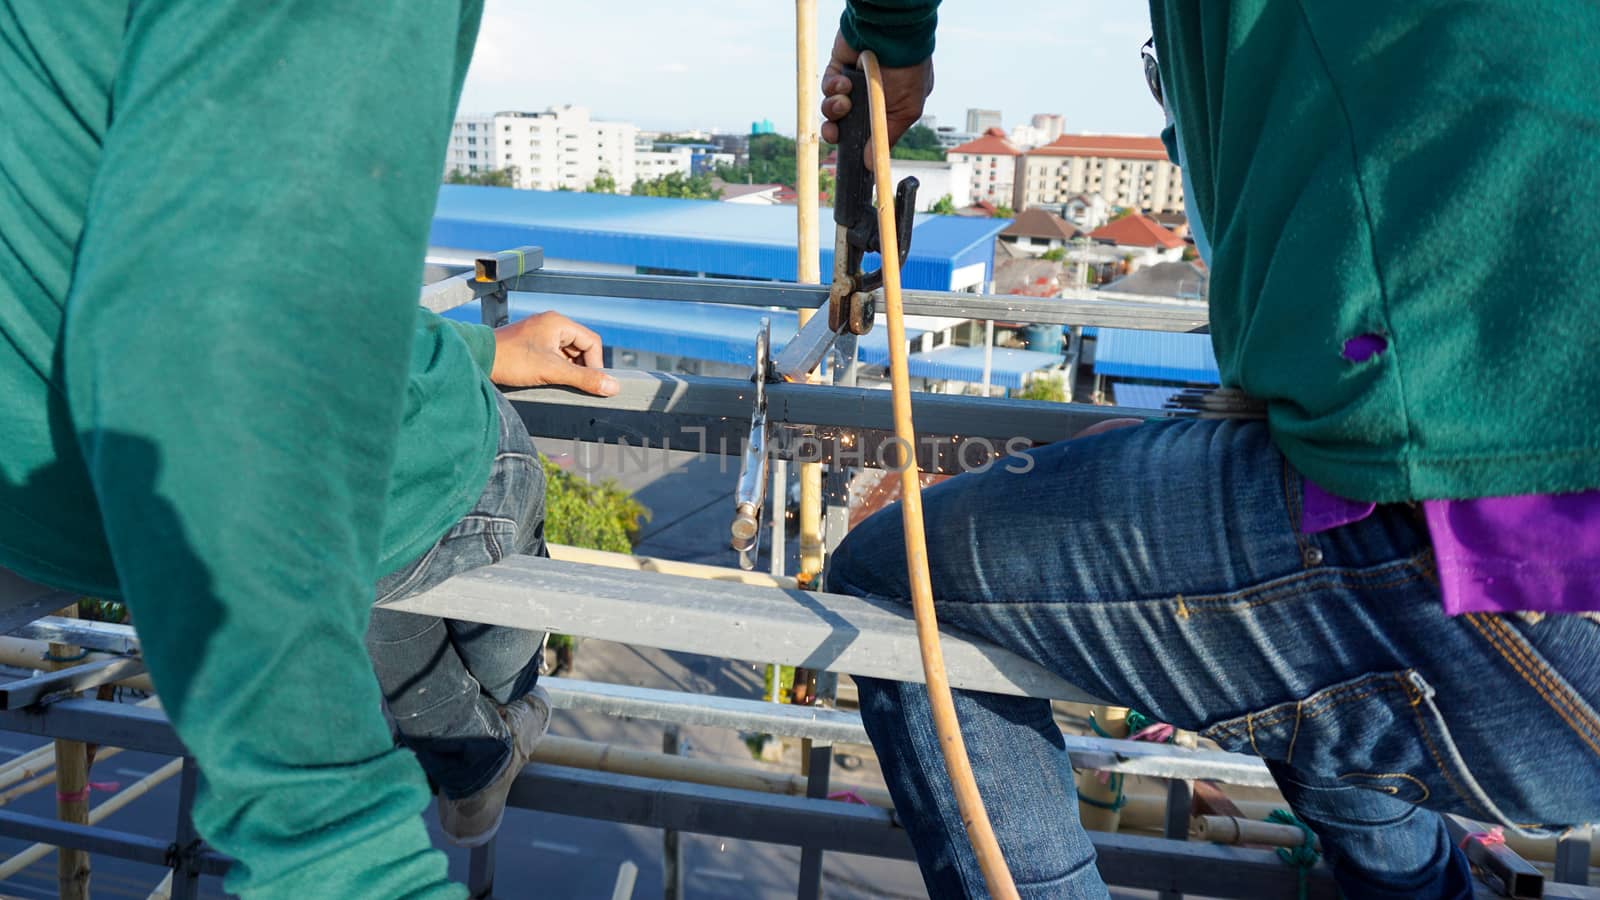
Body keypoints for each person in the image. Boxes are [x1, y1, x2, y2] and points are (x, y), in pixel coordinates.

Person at [822, 1, 1600, 898]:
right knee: (1314, 681)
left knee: (891, 584)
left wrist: (889, 33)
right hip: (1520, 561)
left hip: (1511, 546)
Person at [0, 3, 615, 896]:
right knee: (471, 604)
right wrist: (333, 850)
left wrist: (490, 346)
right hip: (387, 485)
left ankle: (478, 764)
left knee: (389, 620)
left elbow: (193, 229)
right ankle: (490, 752)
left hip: (70, 508)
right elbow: (232, 339)